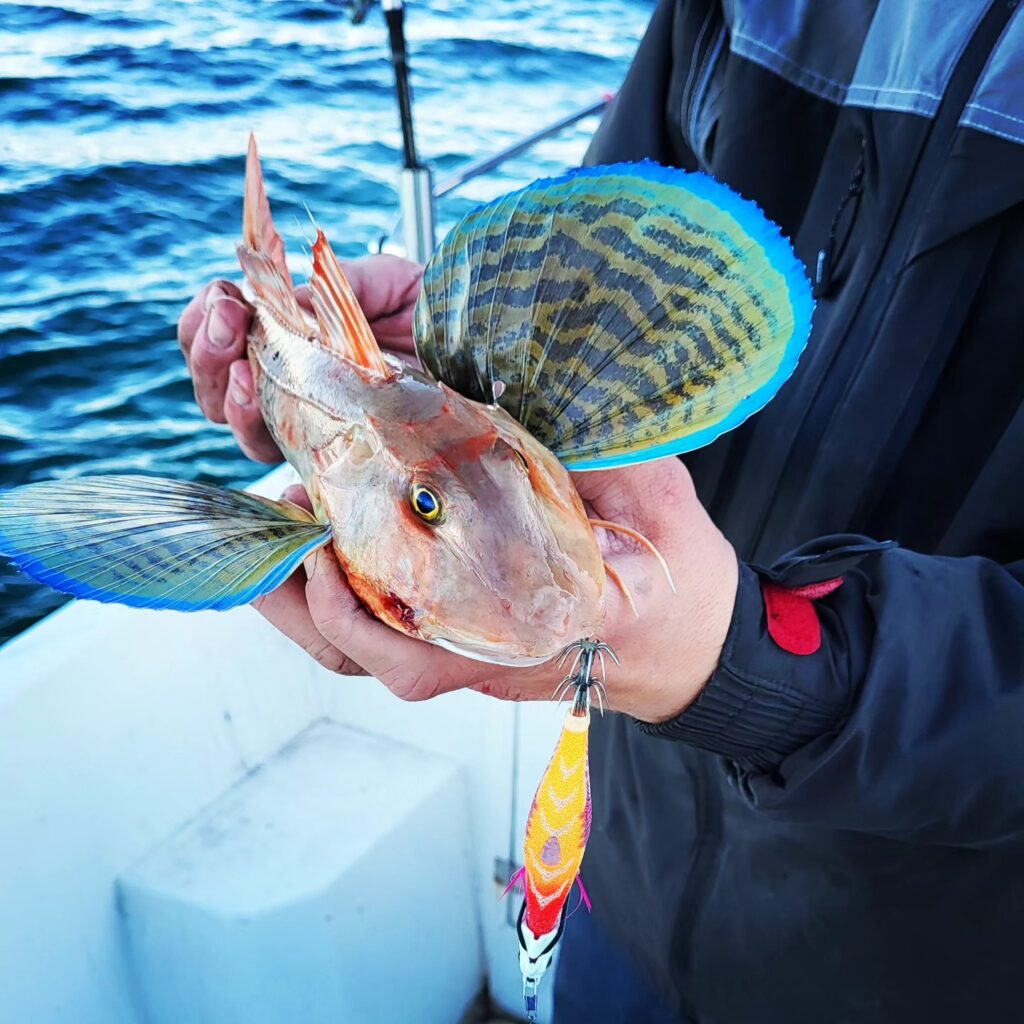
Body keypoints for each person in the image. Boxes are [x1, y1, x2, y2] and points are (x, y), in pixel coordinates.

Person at [177, 1, 1024, 1020]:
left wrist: (754, 668)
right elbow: (596, 290)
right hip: (618, 873)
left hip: (923, 969)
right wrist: (460, 362)